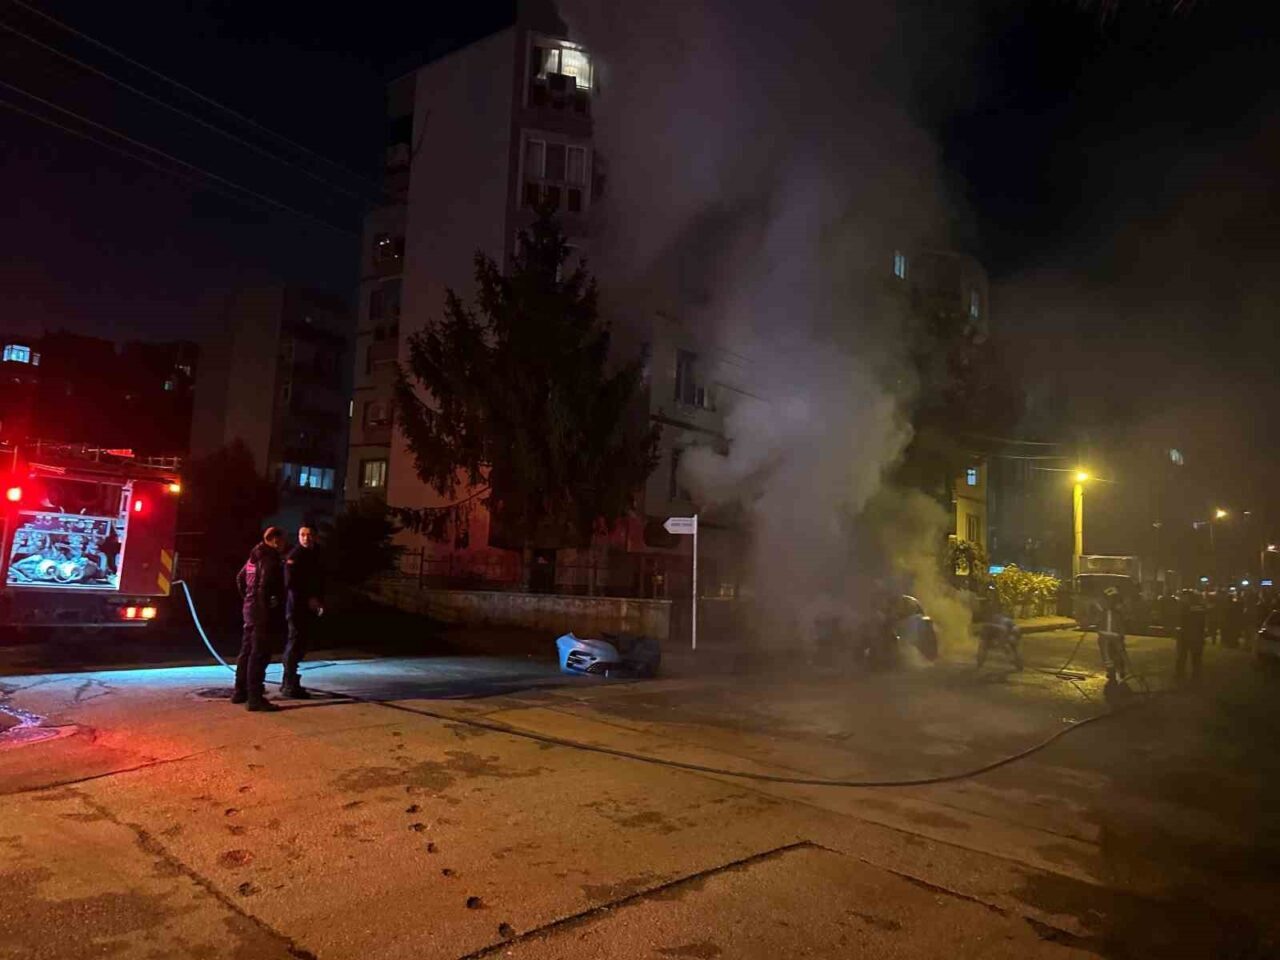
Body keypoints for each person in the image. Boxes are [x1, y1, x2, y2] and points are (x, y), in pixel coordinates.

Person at [233, 527, 287, 712]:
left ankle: (240, 691)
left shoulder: (253, 557)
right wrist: (267, 607)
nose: (284, 544)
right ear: (274, 540)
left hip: (250, 610)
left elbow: (240, 579)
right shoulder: (269, 559)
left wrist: (248, 599)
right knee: (260, 654)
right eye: (282, 540)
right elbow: (265, 587)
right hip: (261, 614)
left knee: (246, 652)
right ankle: (255, 698)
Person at [282, 524, 325, 699]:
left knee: (301, 645)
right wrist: (309, 598)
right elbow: (291, 583)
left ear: (315, 536)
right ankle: (289, 684)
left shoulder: (316, 553)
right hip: (296, 608)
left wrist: (318, 599)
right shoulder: (295, 555)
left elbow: (319, 579)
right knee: (295, 644)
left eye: (309, 534)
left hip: (309, 607)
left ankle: (291, 681)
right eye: (302, 534)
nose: (306, 538)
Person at [1176, 589, 1207, 684]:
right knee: (1196, 657)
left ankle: (1180, 674)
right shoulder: (1200, 608)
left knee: (1182, 656)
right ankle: (1196, 675)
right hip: (1197, 635)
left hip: (1185, 634)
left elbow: (1180, 620)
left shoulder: (1185, 607)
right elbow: (1203, 622)